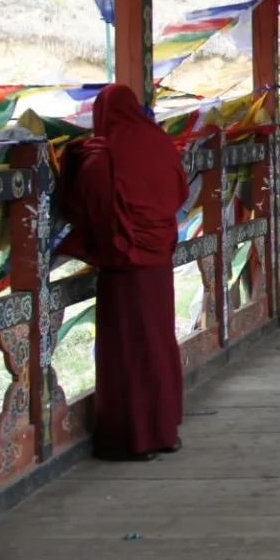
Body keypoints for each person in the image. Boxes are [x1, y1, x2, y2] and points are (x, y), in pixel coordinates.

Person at [54, 83, 187, 462]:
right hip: (158, 260)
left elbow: (88, 208)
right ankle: (165, 431)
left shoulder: (103, 156)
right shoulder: (161, 144)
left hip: (124, 266)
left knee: (128, 348)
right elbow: (178, 193)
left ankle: (133, 438)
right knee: (159, 342)